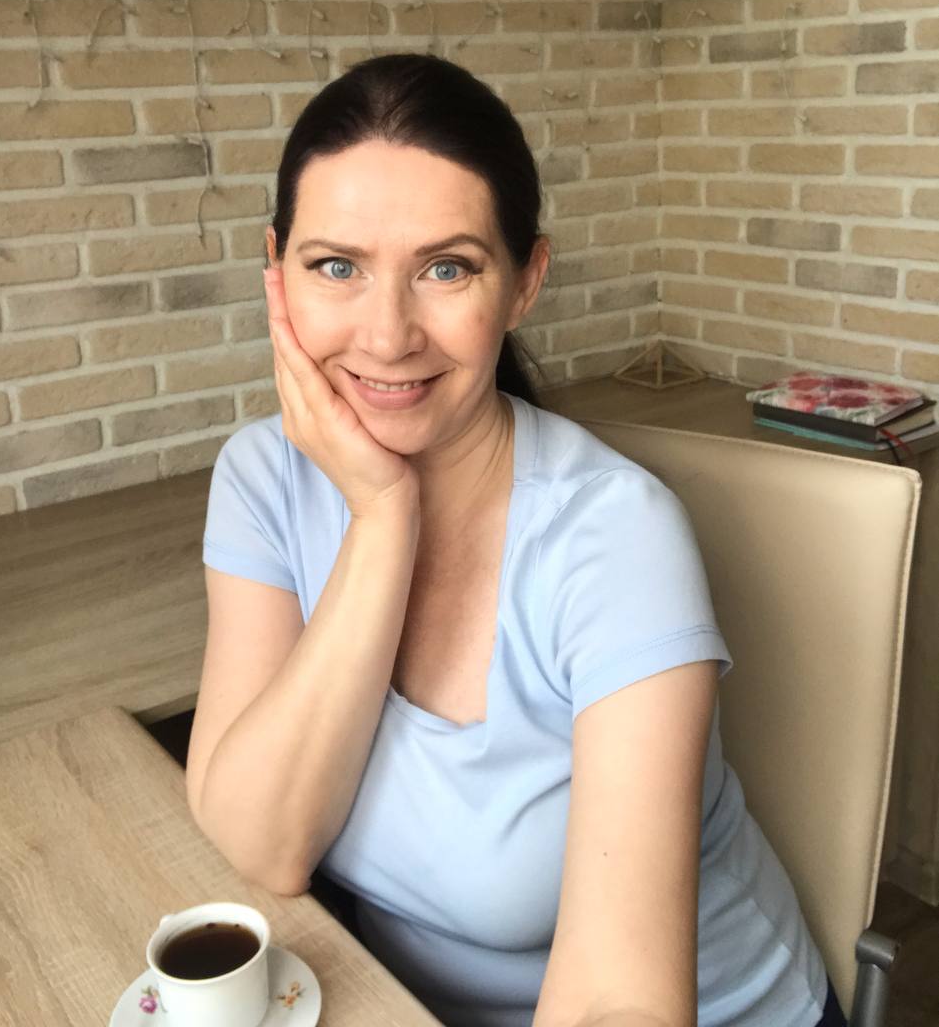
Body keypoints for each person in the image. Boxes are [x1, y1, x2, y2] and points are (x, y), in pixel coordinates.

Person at [186, 53, 846, 1027]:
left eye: (446, 268)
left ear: (525, 282)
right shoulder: (262, 476)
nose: (386, 335)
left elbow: (619, 1001)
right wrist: (383, 518)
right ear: (276, 271)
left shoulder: (616, 537)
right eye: (336, 266)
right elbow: (264, 842)